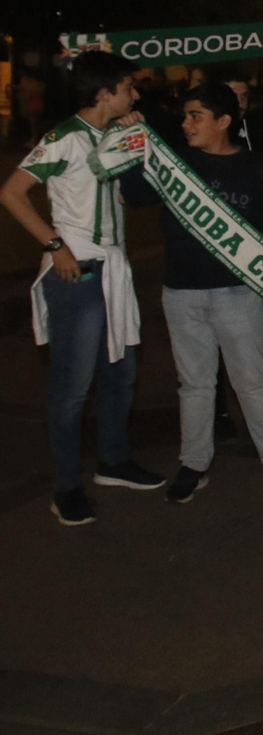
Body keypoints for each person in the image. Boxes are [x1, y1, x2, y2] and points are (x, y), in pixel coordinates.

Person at [119, 83, 263, 503]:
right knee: (194, 385)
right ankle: (194, 463)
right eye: (185, 115)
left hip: (238, 293)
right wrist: (130, 145)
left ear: (224, 121)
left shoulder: (253, 169)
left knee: (252, 381)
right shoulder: (176, 161)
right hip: (181, 293)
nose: (185, 123)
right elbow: (134, 195)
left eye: (195, 115)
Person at [0, 51, 165, 525]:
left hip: (113, 271)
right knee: (71, 389)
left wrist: (133, 139)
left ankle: (113, 462)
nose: (134, 94)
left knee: (120, 374)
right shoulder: (65, 137)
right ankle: (66, 487)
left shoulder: (113, 134)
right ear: (104, 93)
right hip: (79, 275)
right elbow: (11, 192)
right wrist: (55, 245)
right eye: (127, 87)